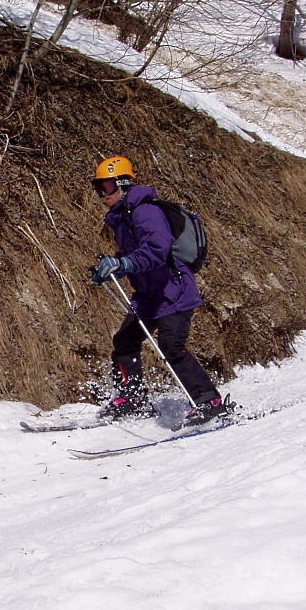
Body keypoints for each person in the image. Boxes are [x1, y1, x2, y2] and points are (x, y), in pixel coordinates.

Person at [89, 155, 228, 427]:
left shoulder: (145, 211)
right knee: (125, 342)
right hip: (149, 296)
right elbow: (134, 256)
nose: (101, 194)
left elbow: (156, 250)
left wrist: (123, 262)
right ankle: (134, 398)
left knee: (171, 346)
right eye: (99, 188)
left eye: (106, 187)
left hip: (173, 291)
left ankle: (209, 402)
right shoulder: (123, 217)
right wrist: (113, 268)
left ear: (123, 185)